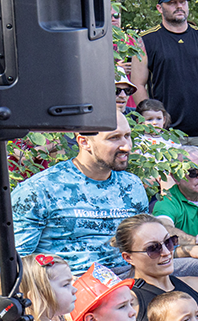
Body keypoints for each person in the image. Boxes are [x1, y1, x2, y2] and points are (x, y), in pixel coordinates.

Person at [12, 111, 149, 272]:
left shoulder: (132, 185)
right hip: (70, 285)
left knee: (186, 271)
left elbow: (146, 242)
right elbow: (16, 264)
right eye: (114, 138)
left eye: (127, 136)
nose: (126, 146)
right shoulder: (39, 189)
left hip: (130, 278)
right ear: (84, 142)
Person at [132, 0, 198, 182]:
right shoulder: (145, 40)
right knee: (169, 187)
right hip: (166, 132)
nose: (179, 6)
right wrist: (150, 123)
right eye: (172, 3)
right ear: (160, 8)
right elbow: (138, 84)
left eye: (182, 2)